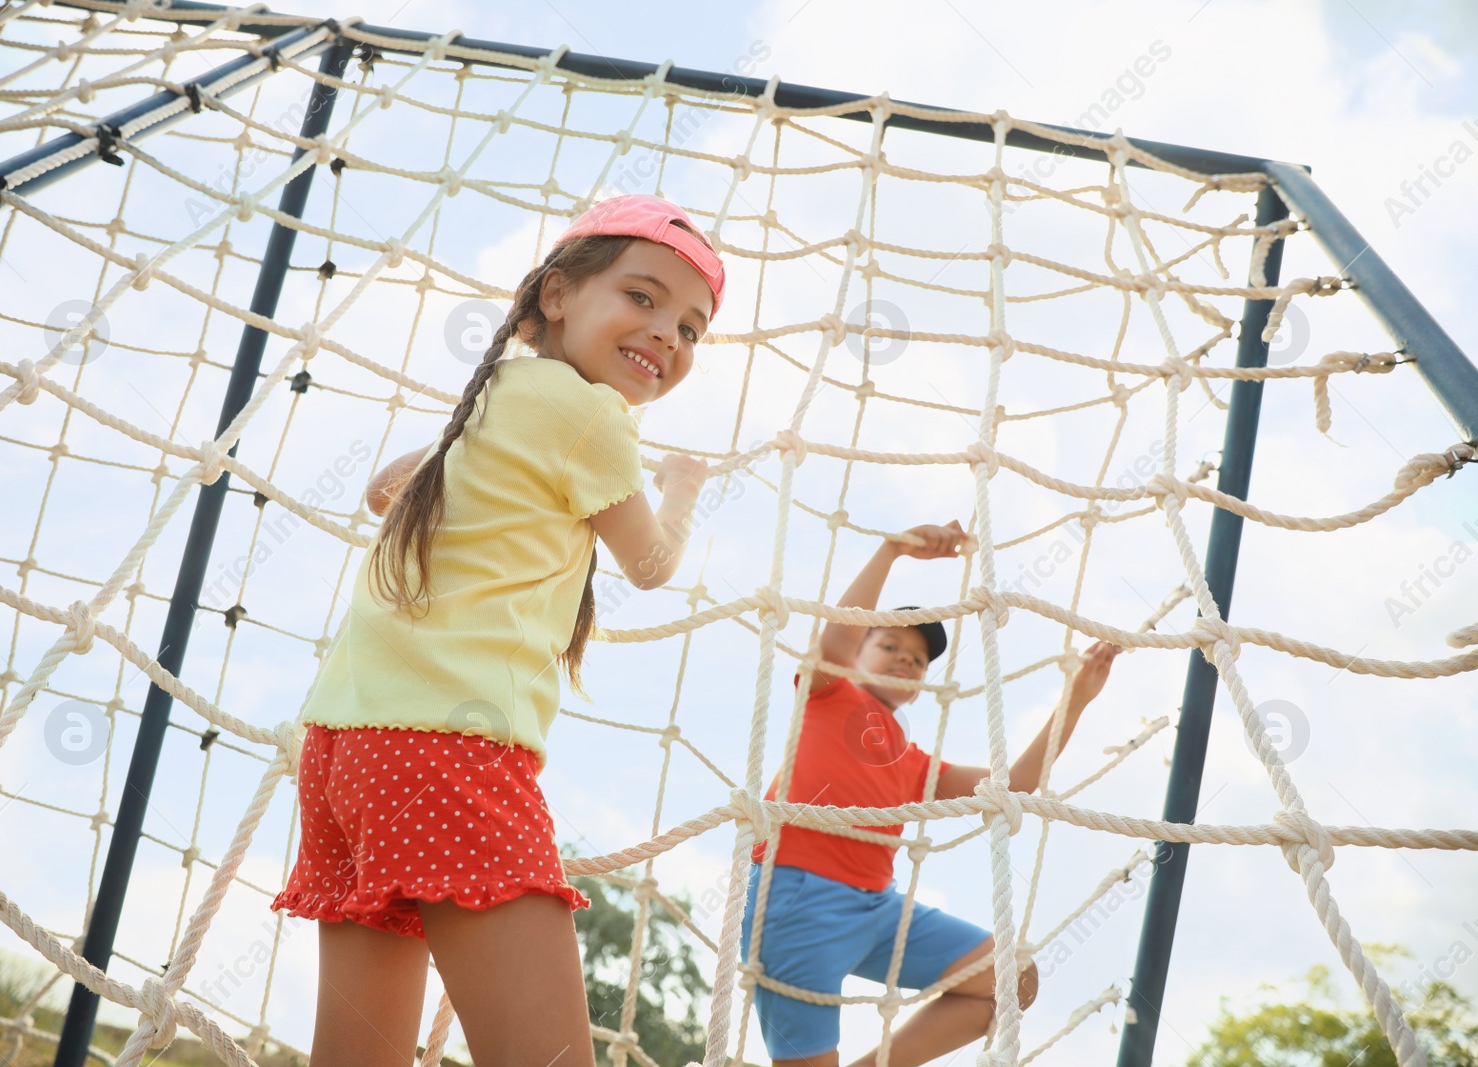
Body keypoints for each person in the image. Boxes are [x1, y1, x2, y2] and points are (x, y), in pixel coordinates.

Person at [271, 195, 726, 1067]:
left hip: (342, 750)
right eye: (643, 297)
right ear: (556, 294)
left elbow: (381, 487)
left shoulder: (496, 397)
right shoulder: (591, 418)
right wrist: (683, 485)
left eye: (692, 328)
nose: (669, 334)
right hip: (452, 750)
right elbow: (652, 564)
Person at [741, 522, 1121, 1067]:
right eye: (889, 644)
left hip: (876, 913)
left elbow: (1012, 783)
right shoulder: (826, 693)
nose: (904, 659)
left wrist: (1076, 700)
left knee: (1013, 978)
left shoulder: (915, 763)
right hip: (796, 901)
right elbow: (836, 639)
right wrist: (891, 550)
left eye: (917, 660)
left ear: (922, 685)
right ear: (860, 652)